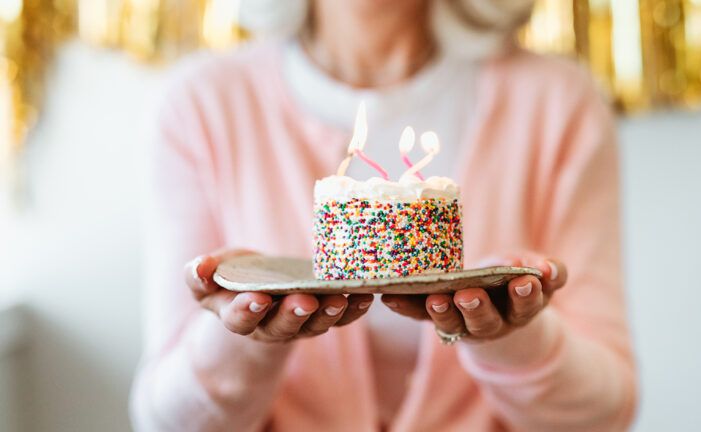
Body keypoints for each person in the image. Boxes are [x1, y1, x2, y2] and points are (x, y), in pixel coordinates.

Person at [130, 0, 637, 430]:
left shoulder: (557, 104)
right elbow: (164, 418)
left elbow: (606, 412)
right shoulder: (200, 106)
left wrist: (514, 336)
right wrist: (242, 332)